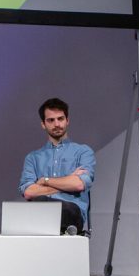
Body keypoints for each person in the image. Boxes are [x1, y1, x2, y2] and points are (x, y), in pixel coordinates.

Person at [19, 97, 95, 232]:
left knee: (42, 203)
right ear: (43, 124)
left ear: (67, 120)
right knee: (38, 204)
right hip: (40, 212)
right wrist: (67, 181)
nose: (57, 124)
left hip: (71, 213)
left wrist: (45, 181)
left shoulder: (83, 151)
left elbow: (78, 184)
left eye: (60, 119)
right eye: (51, 120)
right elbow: (29, 192)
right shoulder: (33, 158)